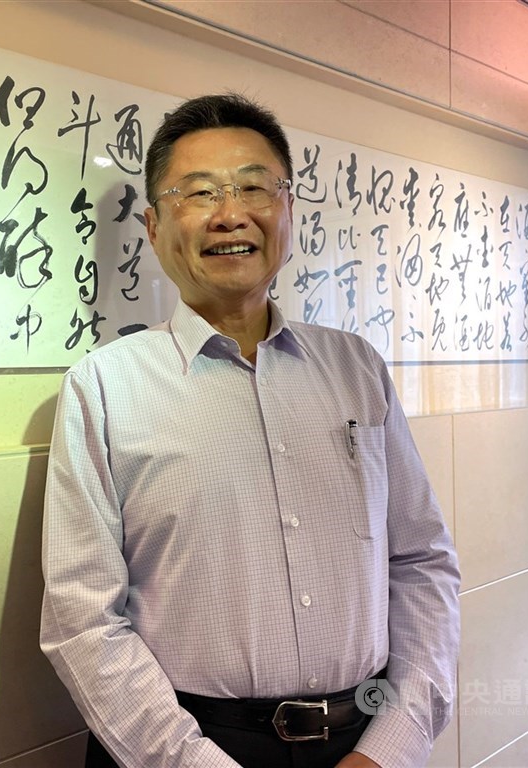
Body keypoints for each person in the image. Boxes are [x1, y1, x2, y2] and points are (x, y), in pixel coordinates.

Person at [40, 93, 460, 768]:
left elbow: (421, 562)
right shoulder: (104, 386)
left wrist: (393, 746)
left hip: (361, 740)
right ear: (153, 226)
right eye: (198, 192)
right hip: (183, 744)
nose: (230, 214)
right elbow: (82, 618)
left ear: (288, 210)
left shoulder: (356, 367)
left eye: (254, 188)